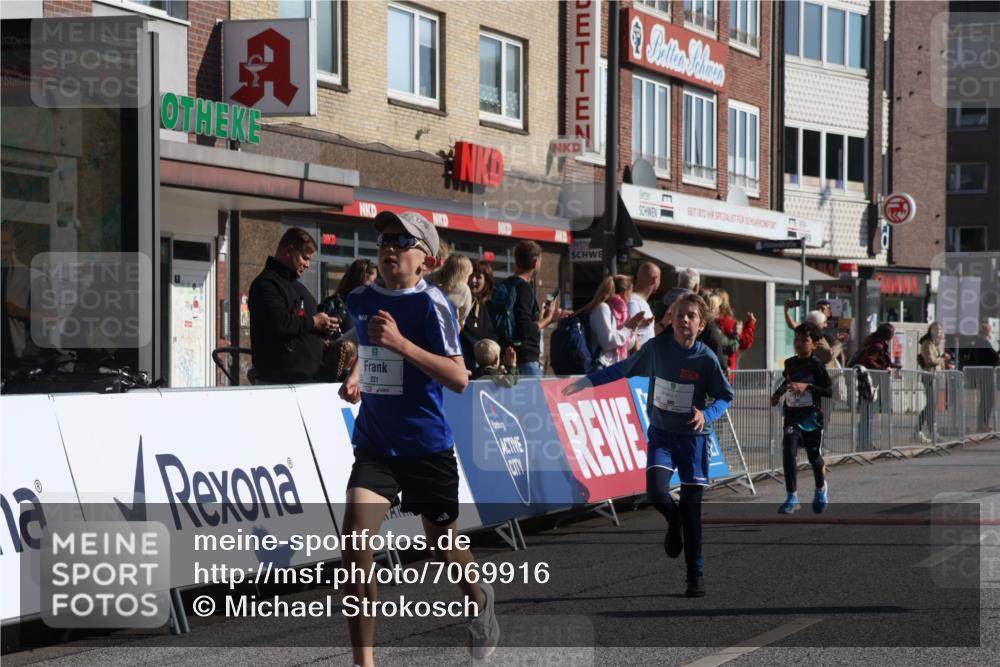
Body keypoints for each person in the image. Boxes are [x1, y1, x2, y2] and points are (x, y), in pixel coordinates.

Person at [337, 211, 499, 665]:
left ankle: (479, 600)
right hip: (376, 446)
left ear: (426, 260)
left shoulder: (433, 304)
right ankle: (364, 662)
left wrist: (402, 345)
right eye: (385, 240)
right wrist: (356, 373)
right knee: (355, 547)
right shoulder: (360, 297)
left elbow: (460, 378)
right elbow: (368, 343)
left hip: (426, 446)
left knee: (442, 545)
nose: (389, 247)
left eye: (402, 241)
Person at [563, 292, 734, 598]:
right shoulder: (657, 349)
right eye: (679, 315)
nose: (684, 320)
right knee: (656, 492)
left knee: (692, 512)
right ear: (671, 320)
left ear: (701, 324)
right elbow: (622, 369)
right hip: (662, 435)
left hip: (694, 440)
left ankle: (695, 574)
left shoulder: (706, 358)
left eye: (691, 316)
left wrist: (705, 414)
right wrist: (587, 382)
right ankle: (673, 519)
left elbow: (725, 396)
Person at [248, 228, 339, 384]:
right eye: (305, 258)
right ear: (289, 251)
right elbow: (280, 324)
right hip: (280, 383)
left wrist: (326, 326)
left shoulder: (297, 287)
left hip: (307, 379)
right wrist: (315, 322)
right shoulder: (266, 284)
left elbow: (302, 322)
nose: (307, 265)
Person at [771, 323, 832, 514]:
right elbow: (788, 382)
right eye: (796, 339)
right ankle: (792, 497)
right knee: (788, 451)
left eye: (804, 340)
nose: (798, 343)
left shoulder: (817, 365)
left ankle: (821, 488)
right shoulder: (790, 363)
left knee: (814, 457)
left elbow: (828, 391)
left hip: (812, 419)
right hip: (792, 416)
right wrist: (778, 394)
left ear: (814, 344)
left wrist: (808, 387)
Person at [495, 240, 562, 377]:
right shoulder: (524, 287)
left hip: (508, 357)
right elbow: (526, 328)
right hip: (526, 359)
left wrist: (542, 317)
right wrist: (549, 318)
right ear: (535, 263)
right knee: (535, 392)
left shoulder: (505, 284)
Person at [581, 275, 648, 369]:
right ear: (625, 292)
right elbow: (607, 342)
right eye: (631, 291)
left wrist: (634, 326)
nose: (631, 296)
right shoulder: (602, 308)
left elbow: (628, 345)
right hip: (602, 366)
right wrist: (628, 328)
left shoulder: (622, 313)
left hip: (616, 365)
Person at [460, 260, 499, 374]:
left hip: (484, 365)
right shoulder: (460, 302)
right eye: (471, 275)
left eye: (478, 277)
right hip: (464, 364)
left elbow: (492, 334)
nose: (473, 280)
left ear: (487, 281)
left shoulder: (489, 306)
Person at [916, 322, 949, 443]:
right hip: (930, 377)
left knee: (931, 405)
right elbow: (930, 361)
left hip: (936, 377)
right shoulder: (928, 344)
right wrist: (942, 359)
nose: (939, 332)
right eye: (937, 329)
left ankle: (928, 431)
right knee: (930, 405)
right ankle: (923, 430)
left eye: (940, 330)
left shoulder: (935, 344)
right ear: (931, 330)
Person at [714, 289, 755, 373]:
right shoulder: (730, 324)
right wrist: (750, 324)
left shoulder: (708, 323)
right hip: (727, 370)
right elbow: (745, 342)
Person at [434, 253, 474, 327]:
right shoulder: (464, 289)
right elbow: (464, 315)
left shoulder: (434, 283)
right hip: (449, 327)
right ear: (464, 274)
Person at [628, 262, 661, 349]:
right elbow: (631, 335)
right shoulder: (633, 302)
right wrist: (640, 356)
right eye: (660, 279)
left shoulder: (640, 302)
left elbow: (644, 334)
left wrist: (665, 322)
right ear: (655, 280)